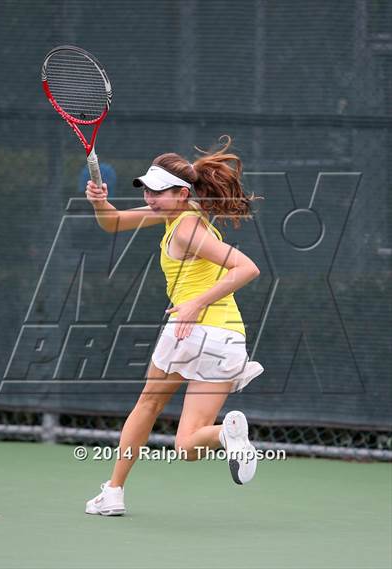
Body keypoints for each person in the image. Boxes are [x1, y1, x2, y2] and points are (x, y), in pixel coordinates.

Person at [84, 136, 264, 516]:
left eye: (158, 192)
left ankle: (113, 491)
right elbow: (113, 223)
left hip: (192, 331)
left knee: (148, 404)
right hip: (229, 339)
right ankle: (227, 436)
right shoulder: (176, 215)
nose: (150, 198)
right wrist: (100, 202)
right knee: (187, 446)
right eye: (147, 190)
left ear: (182, 194)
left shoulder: (185, 229)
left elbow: (247, 267)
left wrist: (194, 305)